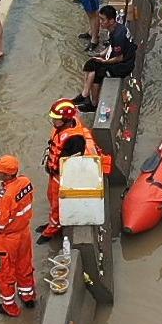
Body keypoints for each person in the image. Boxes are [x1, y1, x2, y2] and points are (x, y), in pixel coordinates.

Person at [38, 99, 100, 241]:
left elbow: (72, 163)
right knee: (51, 198)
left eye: (56, 119)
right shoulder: (61, 129)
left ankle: (52, 230)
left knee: (57, 205)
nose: (53, 121)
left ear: (65, 119)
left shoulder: (76, 139)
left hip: (62, 177)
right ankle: (52, 223)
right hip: (54, 173)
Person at [0, 155, 37, 317]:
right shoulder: (25, 181)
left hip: (7, 240)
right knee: (24, 265)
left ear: (7, 175)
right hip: (24, 233)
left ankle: (10, 307)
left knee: (4, 274)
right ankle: (28, 296)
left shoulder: (5, 197)